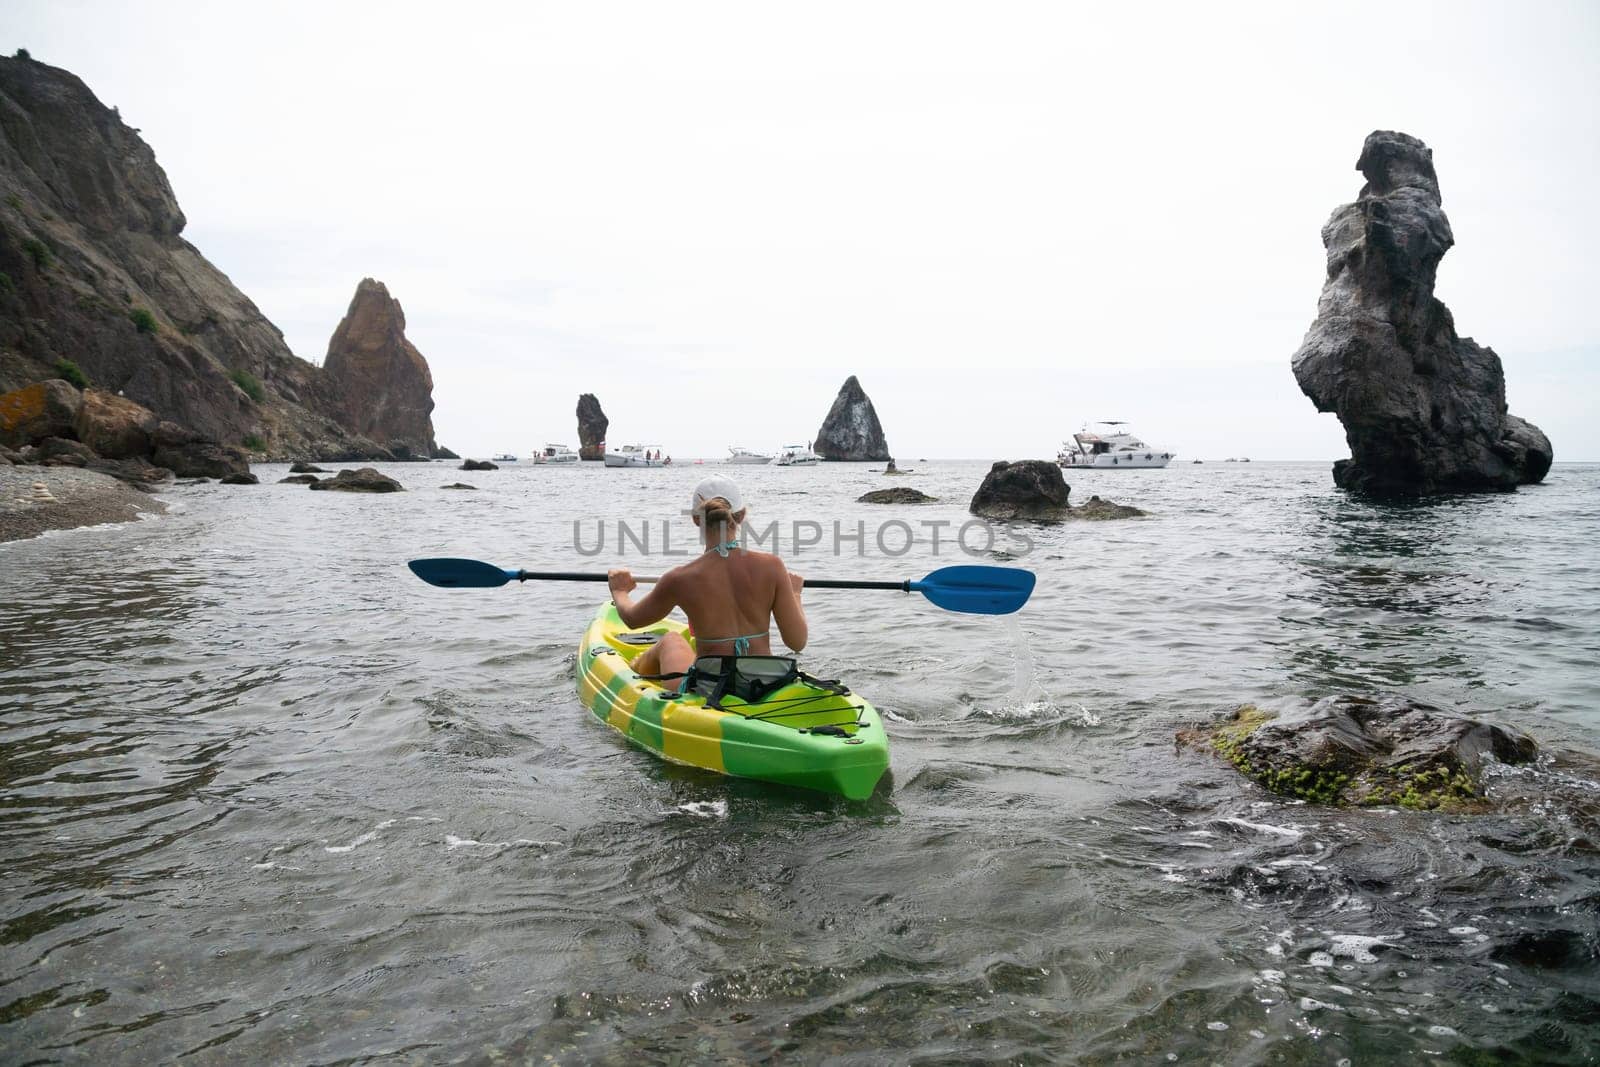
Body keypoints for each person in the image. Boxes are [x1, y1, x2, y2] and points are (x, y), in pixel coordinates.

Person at [608, 476, 806, 686]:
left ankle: (635, 671)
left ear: (696, 519)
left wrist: (620, 591)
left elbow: (632, 619)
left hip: (710, 687)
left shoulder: (680, 578)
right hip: (764, 683)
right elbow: (797, 642)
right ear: (741, 516)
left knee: (671, 640)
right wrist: (795, 594)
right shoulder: (773, 566)